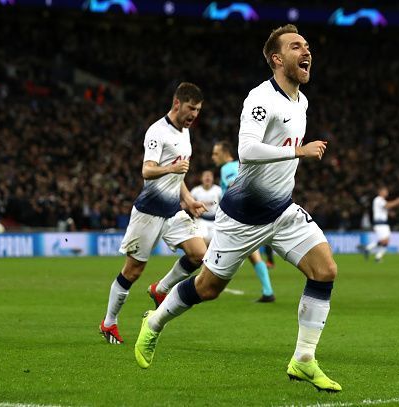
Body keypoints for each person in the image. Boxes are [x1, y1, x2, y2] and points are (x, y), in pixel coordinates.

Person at [134, 24, 342, 392]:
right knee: (208, 288)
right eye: (296, 46)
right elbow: (247, 150)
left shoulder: (301, 101)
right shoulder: (261, 99)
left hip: (281, 212)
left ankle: (304, 359)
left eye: (307, 45)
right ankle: (154, 322)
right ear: (278, 59)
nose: (306, 51)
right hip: (242, 218)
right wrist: (299, 150)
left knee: (325, 270)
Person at [99, 82, 208, 344]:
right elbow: (147, 170)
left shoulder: (185, 132)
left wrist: (189, 199)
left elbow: (179, 172)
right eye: (191, 109)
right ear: (177, 104)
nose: (194, 115)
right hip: (148, 212)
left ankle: (160, 289)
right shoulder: (157, 132)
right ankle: (109, 323)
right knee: (132, 271)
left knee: (199, 255)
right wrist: (170, 169)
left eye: (198, 110)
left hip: (173, 210)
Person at [211, 140, 275, 302]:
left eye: (216, 153)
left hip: (236, 219)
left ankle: (202, 287)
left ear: (225, 153)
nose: (213, 157)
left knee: (214, 255)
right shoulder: (238, 165)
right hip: (245, 217)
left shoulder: (228, 168)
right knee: (254, 256)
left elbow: (236, 186)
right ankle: (268, 292)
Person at [358, 186, 399, 262]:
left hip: (383, 223)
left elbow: (384, 208)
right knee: (384, 240)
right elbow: (388, 205)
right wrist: (398, 201)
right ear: (380, 192)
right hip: (380, 223)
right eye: (385, 191)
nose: (387, 193)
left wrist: (390, 213)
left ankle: (375, 255)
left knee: (386, 241)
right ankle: (370, 251)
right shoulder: (378, 199)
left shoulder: (381, 200)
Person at [189, 170, 222, 245]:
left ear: (213, 178)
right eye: (205, 176)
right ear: (201, 178)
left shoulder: (218, 190)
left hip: (215, 220)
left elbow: (222, 203)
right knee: (202, 242)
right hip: (201, 219)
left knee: (214, 243)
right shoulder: (195, 191)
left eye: (209, 176)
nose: (207, 177)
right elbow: (189, 205)